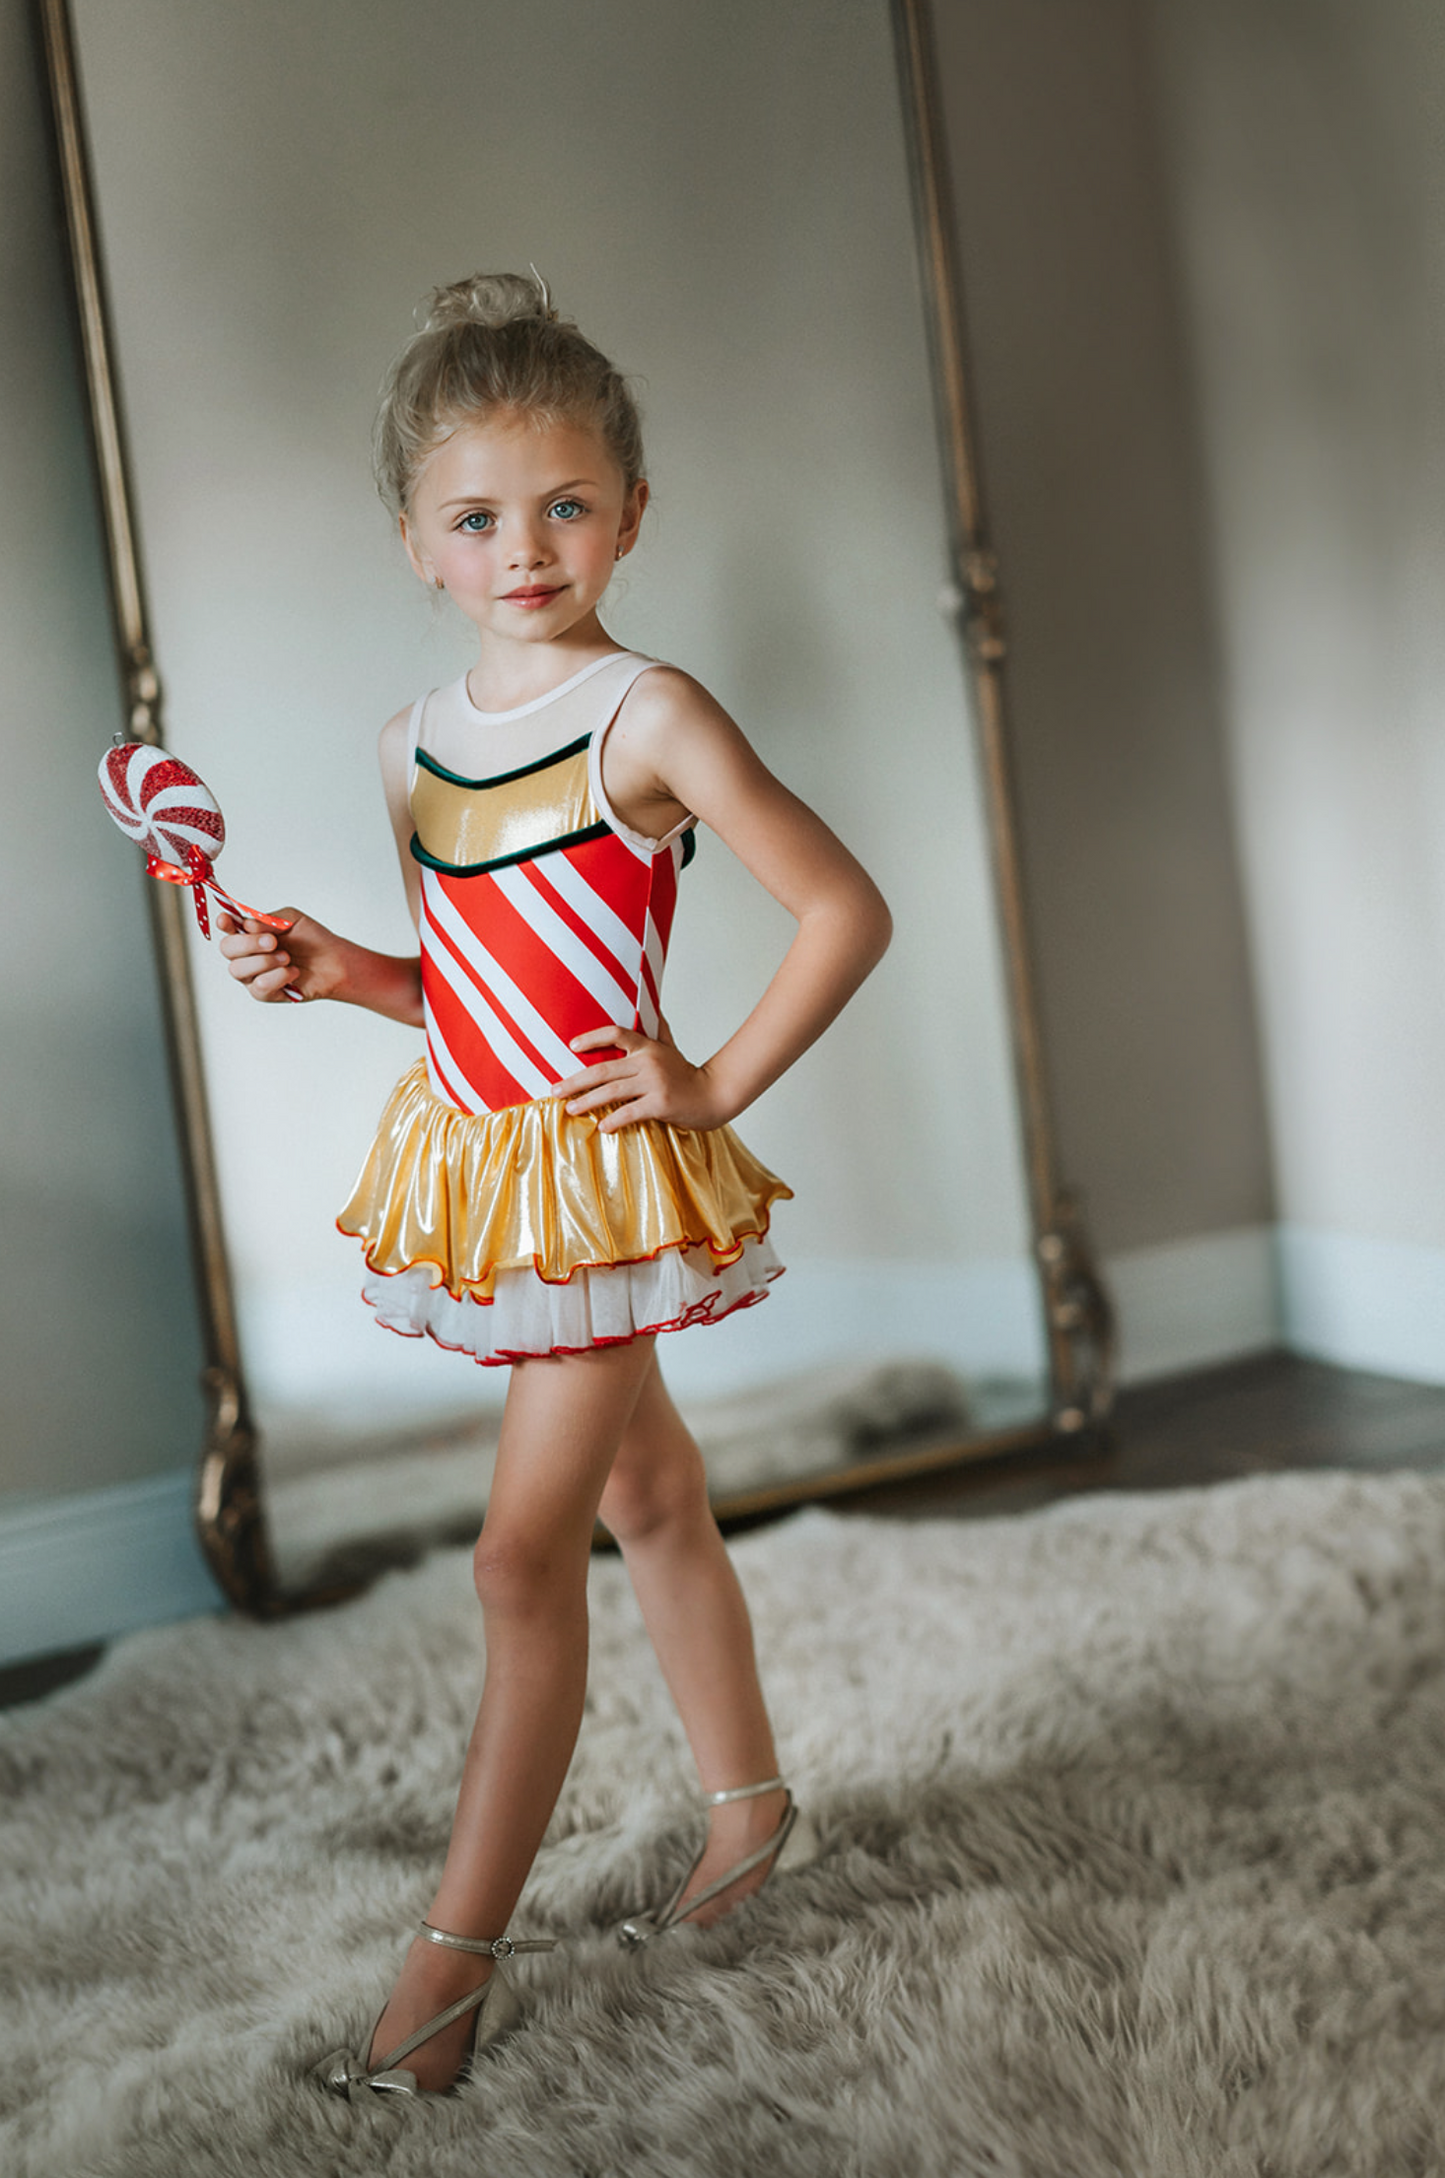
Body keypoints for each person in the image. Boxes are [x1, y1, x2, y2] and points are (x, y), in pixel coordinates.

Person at [220, 271, 891, 2103]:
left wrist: (707, 1082)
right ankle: (750, 1811)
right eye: (479, 517)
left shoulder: (647, 718)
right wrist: (334, 966)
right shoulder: (409, 746)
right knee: (653, 1494)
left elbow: (845, 911)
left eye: (567, 504)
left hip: (607, 1184)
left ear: (633, 511)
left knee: (526, 1558)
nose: (528, 547)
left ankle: (446, 1971)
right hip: (490, 1166)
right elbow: (471, 988)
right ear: (421, 545)